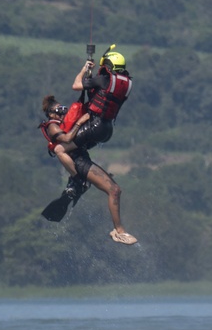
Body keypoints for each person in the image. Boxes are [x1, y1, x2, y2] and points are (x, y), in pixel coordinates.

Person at [39, 97, 138, 245]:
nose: (63, 112)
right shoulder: (52, 126)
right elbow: (66, 139)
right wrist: (80, 122)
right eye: (59, 110)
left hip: (84, 160)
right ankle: (119, 231)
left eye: (64, 108)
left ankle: (76, 185)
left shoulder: (65, 123)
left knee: (116, 190)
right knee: (114, 191)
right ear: (51, 114)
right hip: (79, 163)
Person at [70, 47, 132, 153]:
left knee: (61, 149)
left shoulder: (103, 79)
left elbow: (76, 85)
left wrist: (84, 69)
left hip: (95, 125)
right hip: (107, 129)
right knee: (78, 152)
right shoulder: (122, 84)